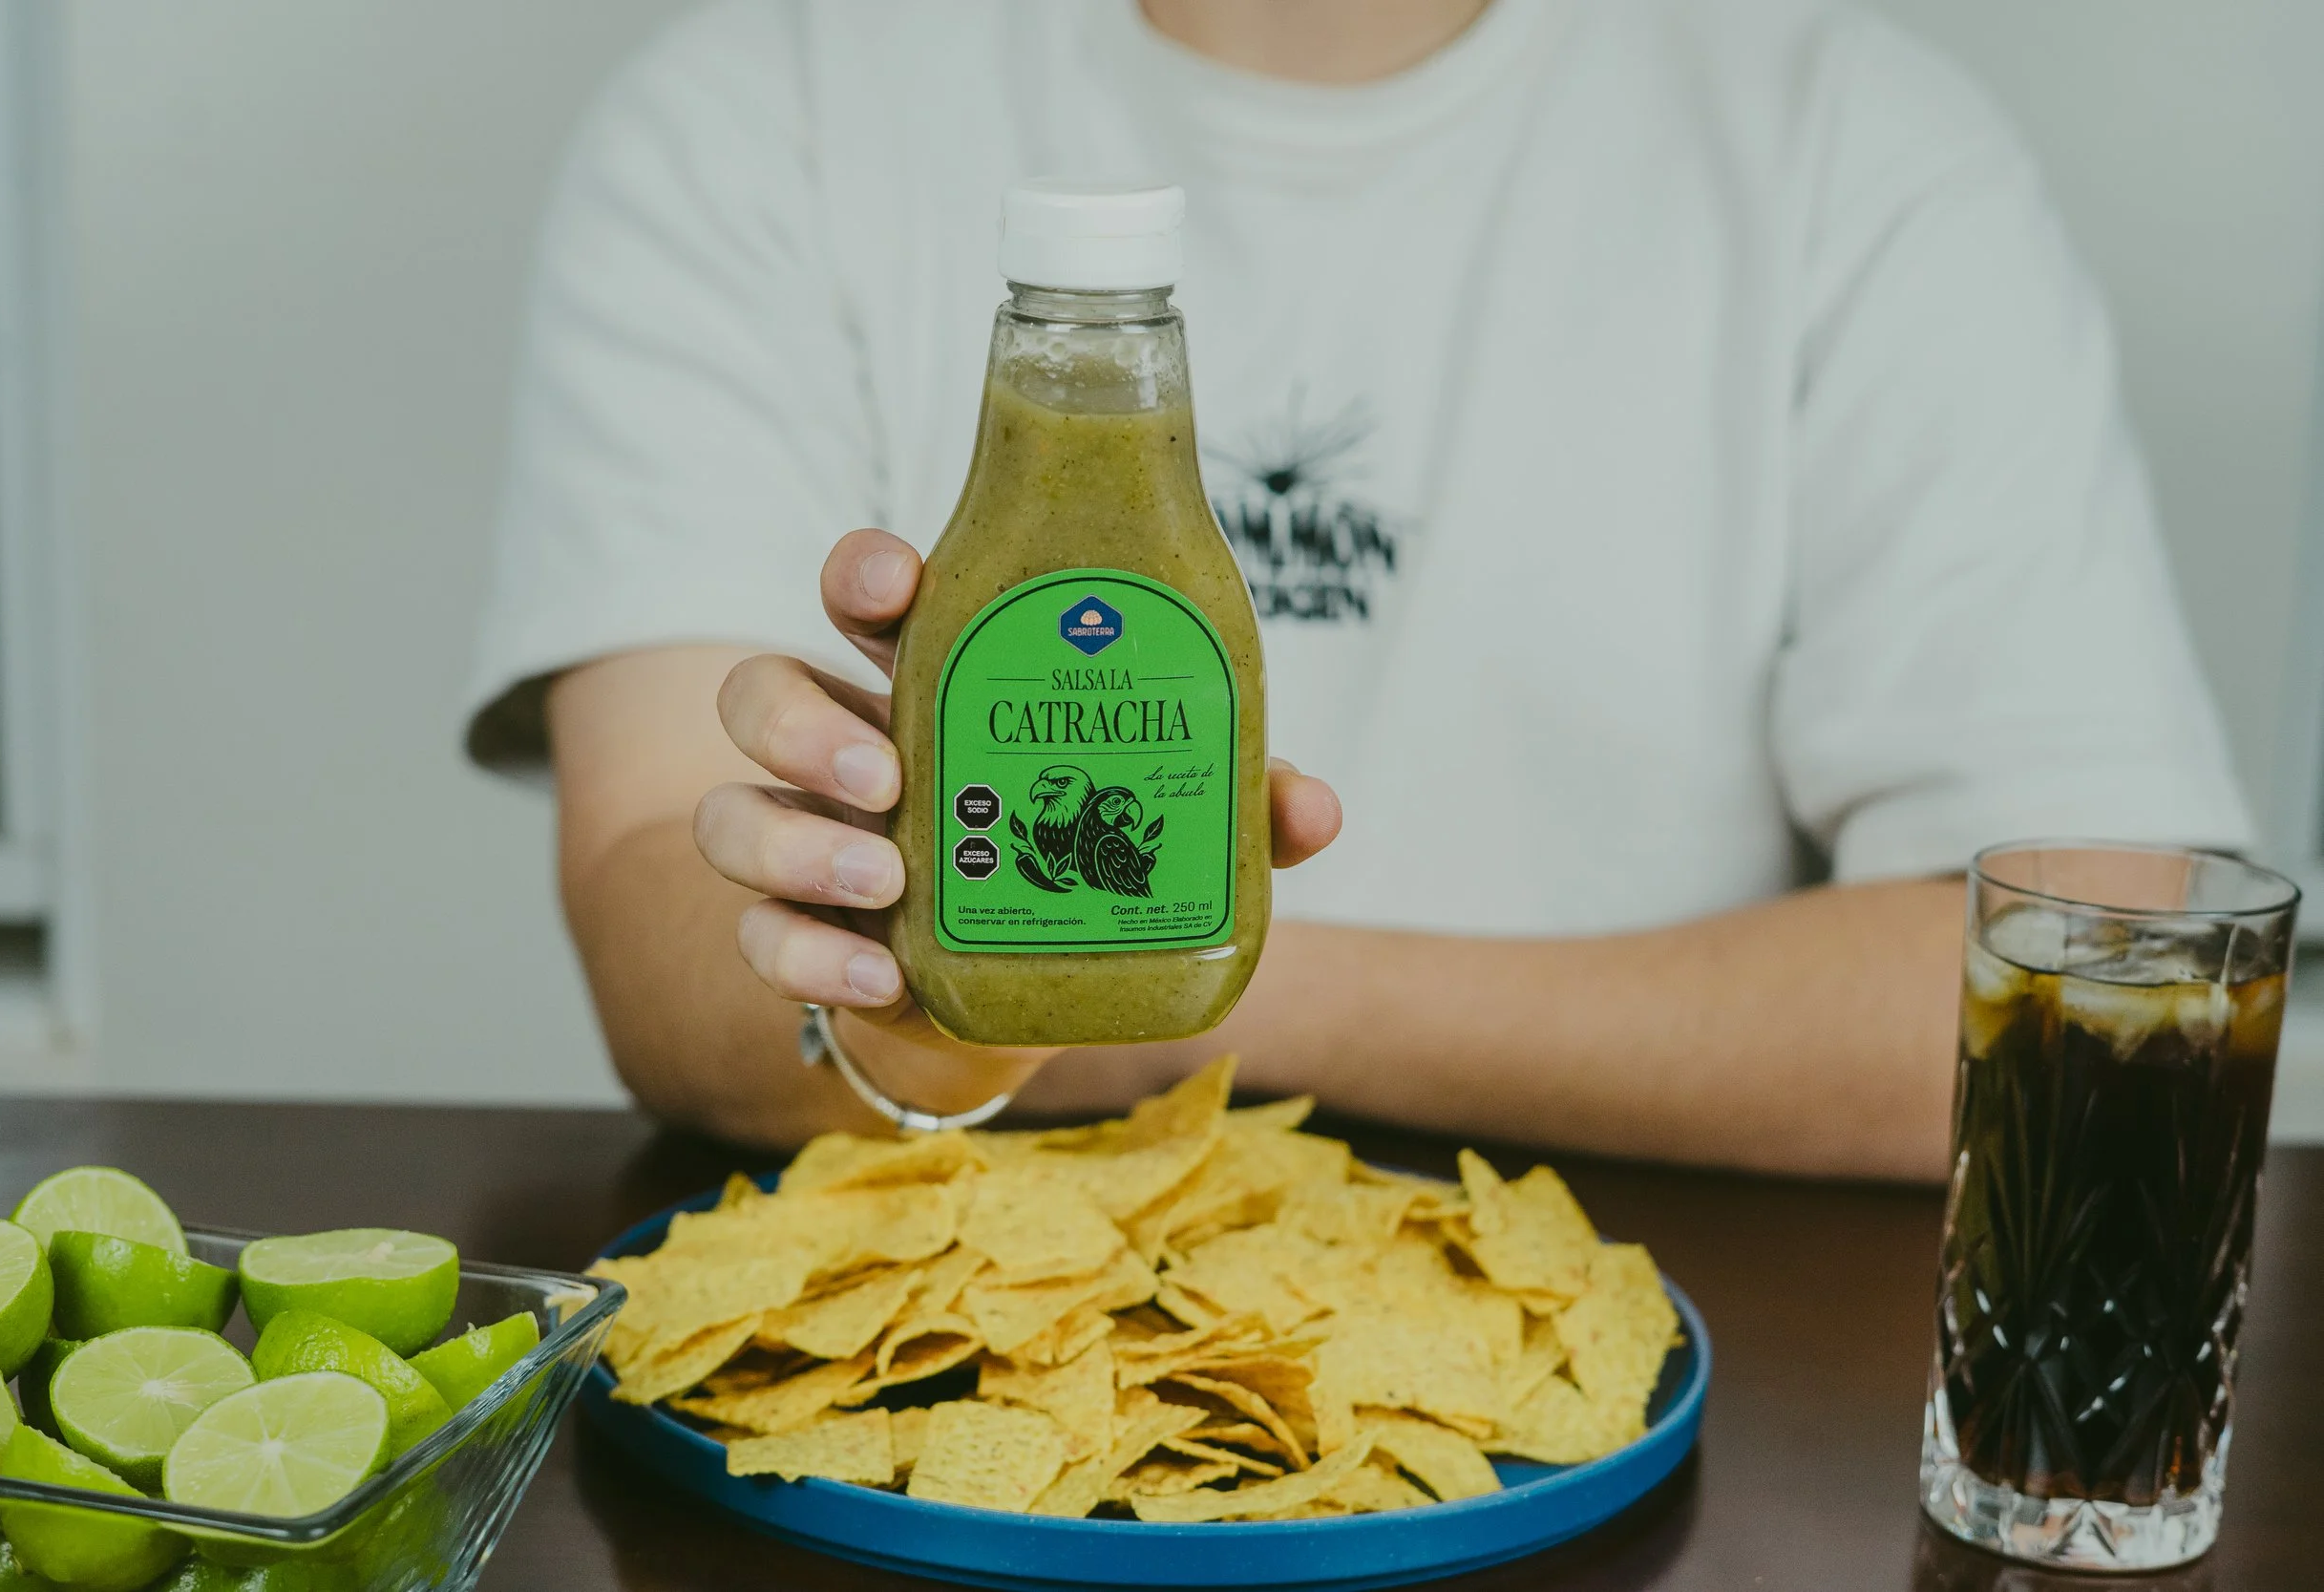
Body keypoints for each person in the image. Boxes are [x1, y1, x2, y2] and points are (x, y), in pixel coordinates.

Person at [466, 0, 2250, 1181]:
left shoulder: (1853, 143)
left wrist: (1194, 967)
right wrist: (892, 968)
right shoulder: (756, 109)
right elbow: (665, 956)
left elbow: (2108, 979)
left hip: (1654, 1369)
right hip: (945, 1352)